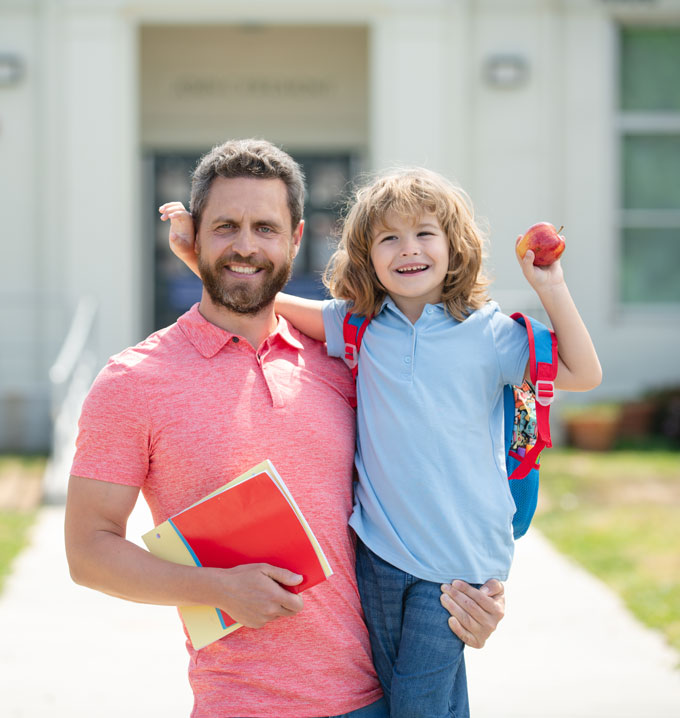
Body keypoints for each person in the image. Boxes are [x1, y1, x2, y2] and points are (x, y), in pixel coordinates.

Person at [65, 139, 506, 718]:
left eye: (265, 228)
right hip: (239, 705)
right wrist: (217, 589)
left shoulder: (350, 361)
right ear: (194, 238)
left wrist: (474, 594)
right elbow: (88, 552)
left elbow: (445, 471)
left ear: (296, 240)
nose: (246, 245)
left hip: (382, 696)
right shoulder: (133, 383)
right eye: (225, 227)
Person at [166, 165, 602, 718]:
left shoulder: (489, 333)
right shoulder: (359, 326)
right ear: (367, 257)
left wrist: (551, 286)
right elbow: (261, 302)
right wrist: (194, 258)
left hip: (454, 563)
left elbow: (582, 372)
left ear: (454, 246)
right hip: (378, 553)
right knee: (411, 700)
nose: (408, 249)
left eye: (424, 233)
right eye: (388, 238)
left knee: (419, 706)